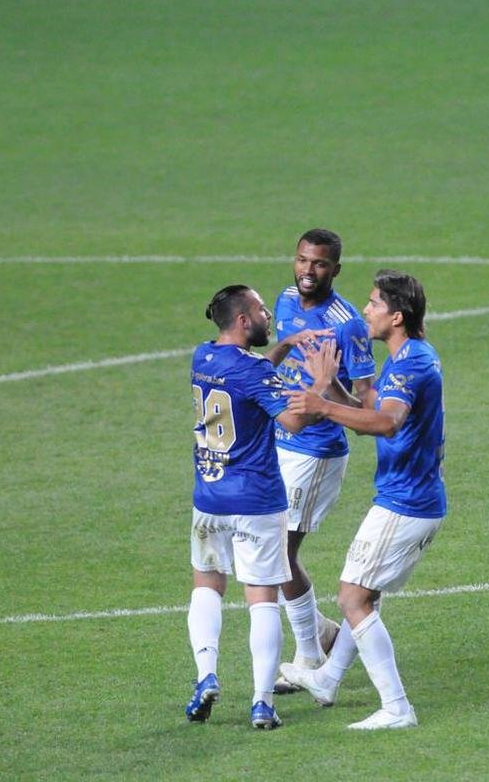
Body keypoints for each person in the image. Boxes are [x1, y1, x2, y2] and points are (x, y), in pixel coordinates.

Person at [279, 269, 446, 730]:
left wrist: (323, 407)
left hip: (406, 502)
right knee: (362, 591)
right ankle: (328, 679)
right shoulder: (407, 355)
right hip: (407, 496)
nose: (366, 310)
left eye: (374, 304)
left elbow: (387, 422)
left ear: (396, 316)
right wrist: (330, 384)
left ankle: (396, 708)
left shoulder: (411, 363)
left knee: (353, 597)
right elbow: (372, 411)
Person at [184, 284, 328, 730]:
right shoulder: (252, 373)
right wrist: (320, 384)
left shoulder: (203, 357)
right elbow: (292, 419)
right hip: (256, 501)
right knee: (262, 599)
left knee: (206, 586)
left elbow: (247, 377)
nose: (269, 316)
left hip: (208, 496)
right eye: (262, 311)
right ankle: (262, 702)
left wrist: (282, 347)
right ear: (244, 320)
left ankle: (206, 676)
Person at [267, 228, 376, 694]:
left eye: (319, 264)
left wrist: (328, 385)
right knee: (265, 552)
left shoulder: (348, 323)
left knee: (279, 554)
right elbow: (283, 362)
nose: (308, 271)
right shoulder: (286, 299)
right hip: (276, 441)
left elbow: (367, 406)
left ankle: (310, 654)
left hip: (316, 452)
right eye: (302, 260)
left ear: (335, 268)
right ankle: (323, 637)